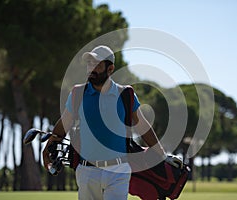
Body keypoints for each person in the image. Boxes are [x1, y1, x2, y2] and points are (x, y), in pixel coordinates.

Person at [42, 45, 177, 200]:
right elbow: (63, 125)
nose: (91, 68)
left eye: (96, 64)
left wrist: (162, 155)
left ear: (110, 69)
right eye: (89, 63)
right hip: (87, 171)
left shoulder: (126, 94)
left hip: (118, 171)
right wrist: (47, 147)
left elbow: (143, 127)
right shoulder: (77, 94)